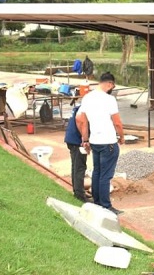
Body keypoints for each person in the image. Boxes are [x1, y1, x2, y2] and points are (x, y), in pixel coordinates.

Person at [76, 72, 125, 215]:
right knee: (105, 175)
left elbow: (82, 120)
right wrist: (121, 136)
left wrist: (85, 139)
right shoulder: (109, 100)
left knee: (97, 172)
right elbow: (117, 122)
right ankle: (105, 205)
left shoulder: (87, 98)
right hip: (108, 141)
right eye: (112, 86)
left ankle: (97, 201)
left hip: (95, 141)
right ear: (109, 84)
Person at [64, 105, 89, 203]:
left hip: (71, 139)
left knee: (75, 166)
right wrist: (85, 139)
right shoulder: (84, 109)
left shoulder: (78, 107)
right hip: (76, 141)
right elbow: (81, 122)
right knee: (80, 167)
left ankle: (77, 191)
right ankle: (79, 195)